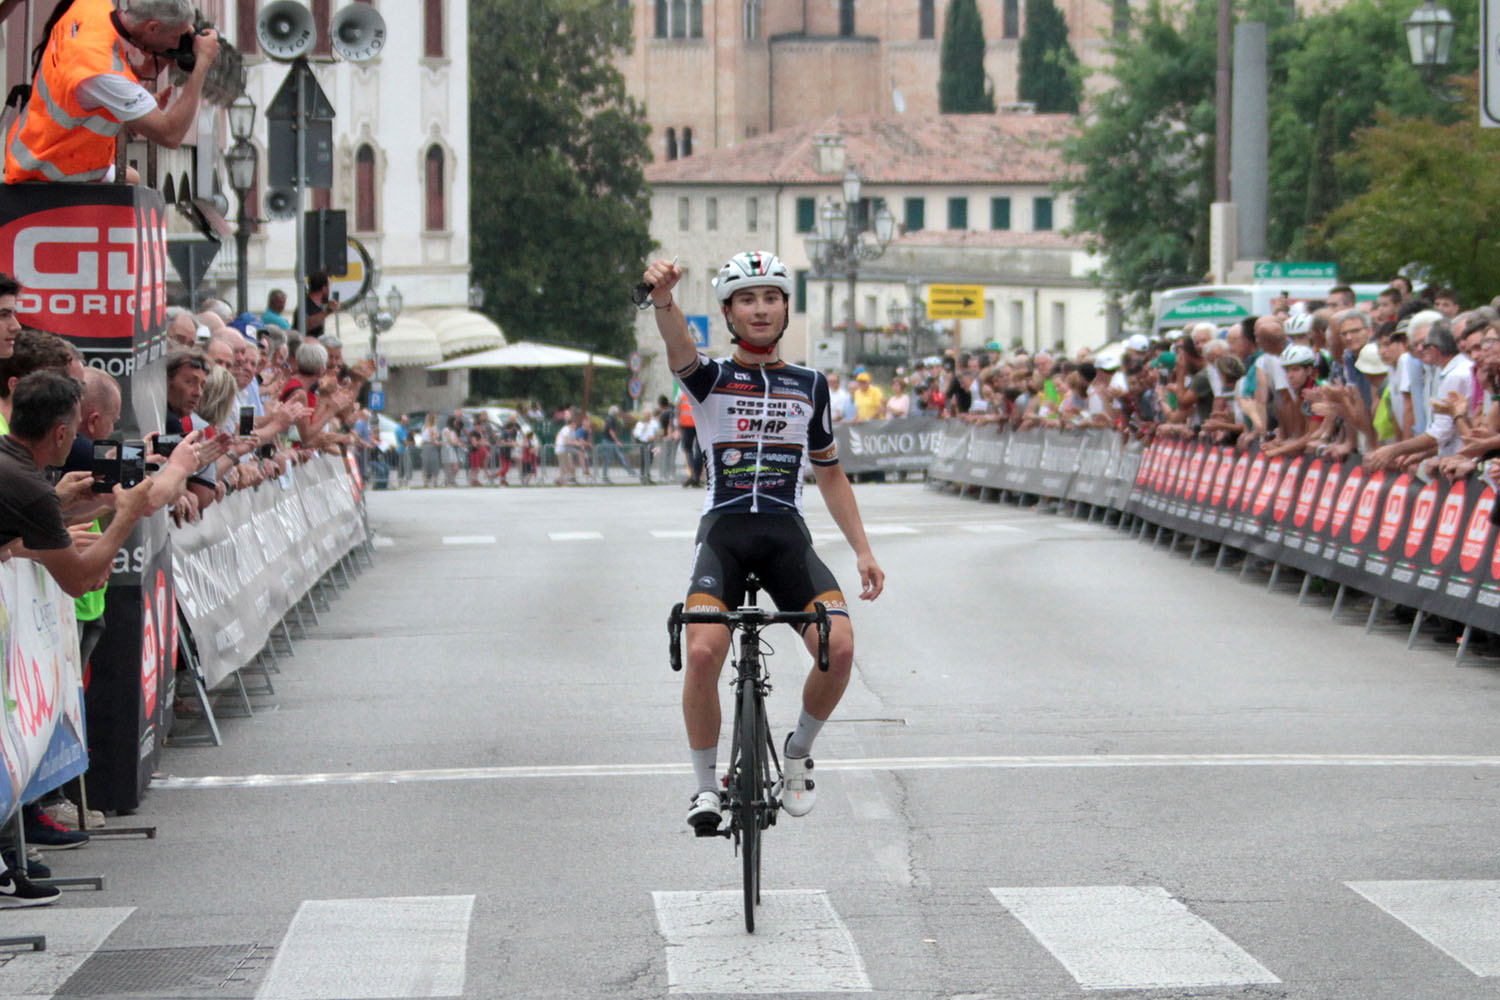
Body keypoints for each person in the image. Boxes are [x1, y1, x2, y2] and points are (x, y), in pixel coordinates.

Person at [642, 250, 885, 834]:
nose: (760, 308)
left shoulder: (810, 385)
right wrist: (664, 299)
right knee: (701, 652)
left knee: (841, 646)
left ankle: (798, 753)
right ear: (728, 311)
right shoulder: (710, 379)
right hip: (724, 534)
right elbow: (678, 345)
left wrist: (862, 549)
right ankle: (705, 787)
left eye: (771, 297)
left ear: (784, 308)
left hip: (784, 537)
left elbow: (829, 471)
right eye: (747, 299)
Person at [5, 0, 220, 184]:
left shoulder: (93, 7)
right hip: (49, 170)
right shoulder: (101, 71)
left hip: (34, 148)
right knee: (132, 180)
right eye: (177, 36)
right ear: (152, 27)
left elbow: (82, 102)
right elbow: (170, 135)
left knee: (132, 176)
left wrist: (184, 24)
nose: (176, 45)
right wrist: (202, 63)